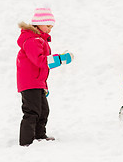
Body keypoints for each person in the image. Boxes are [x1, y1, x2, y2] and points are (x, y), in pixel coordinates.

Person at [16, 8, 74, 146]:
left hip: (37, 83)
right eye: (48, 26)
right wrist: (60, 59)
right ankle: (26, 141)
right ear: (38, 24)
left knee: (43, 111)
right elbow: (40, 61)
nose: (50, 30)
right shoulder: (32, 40)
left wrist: (44, 86)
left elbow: (41, 67)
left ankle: (39, 135)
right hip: (30, 83)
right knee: (32, 112)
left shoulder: (39, 40)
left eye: (51, 27)